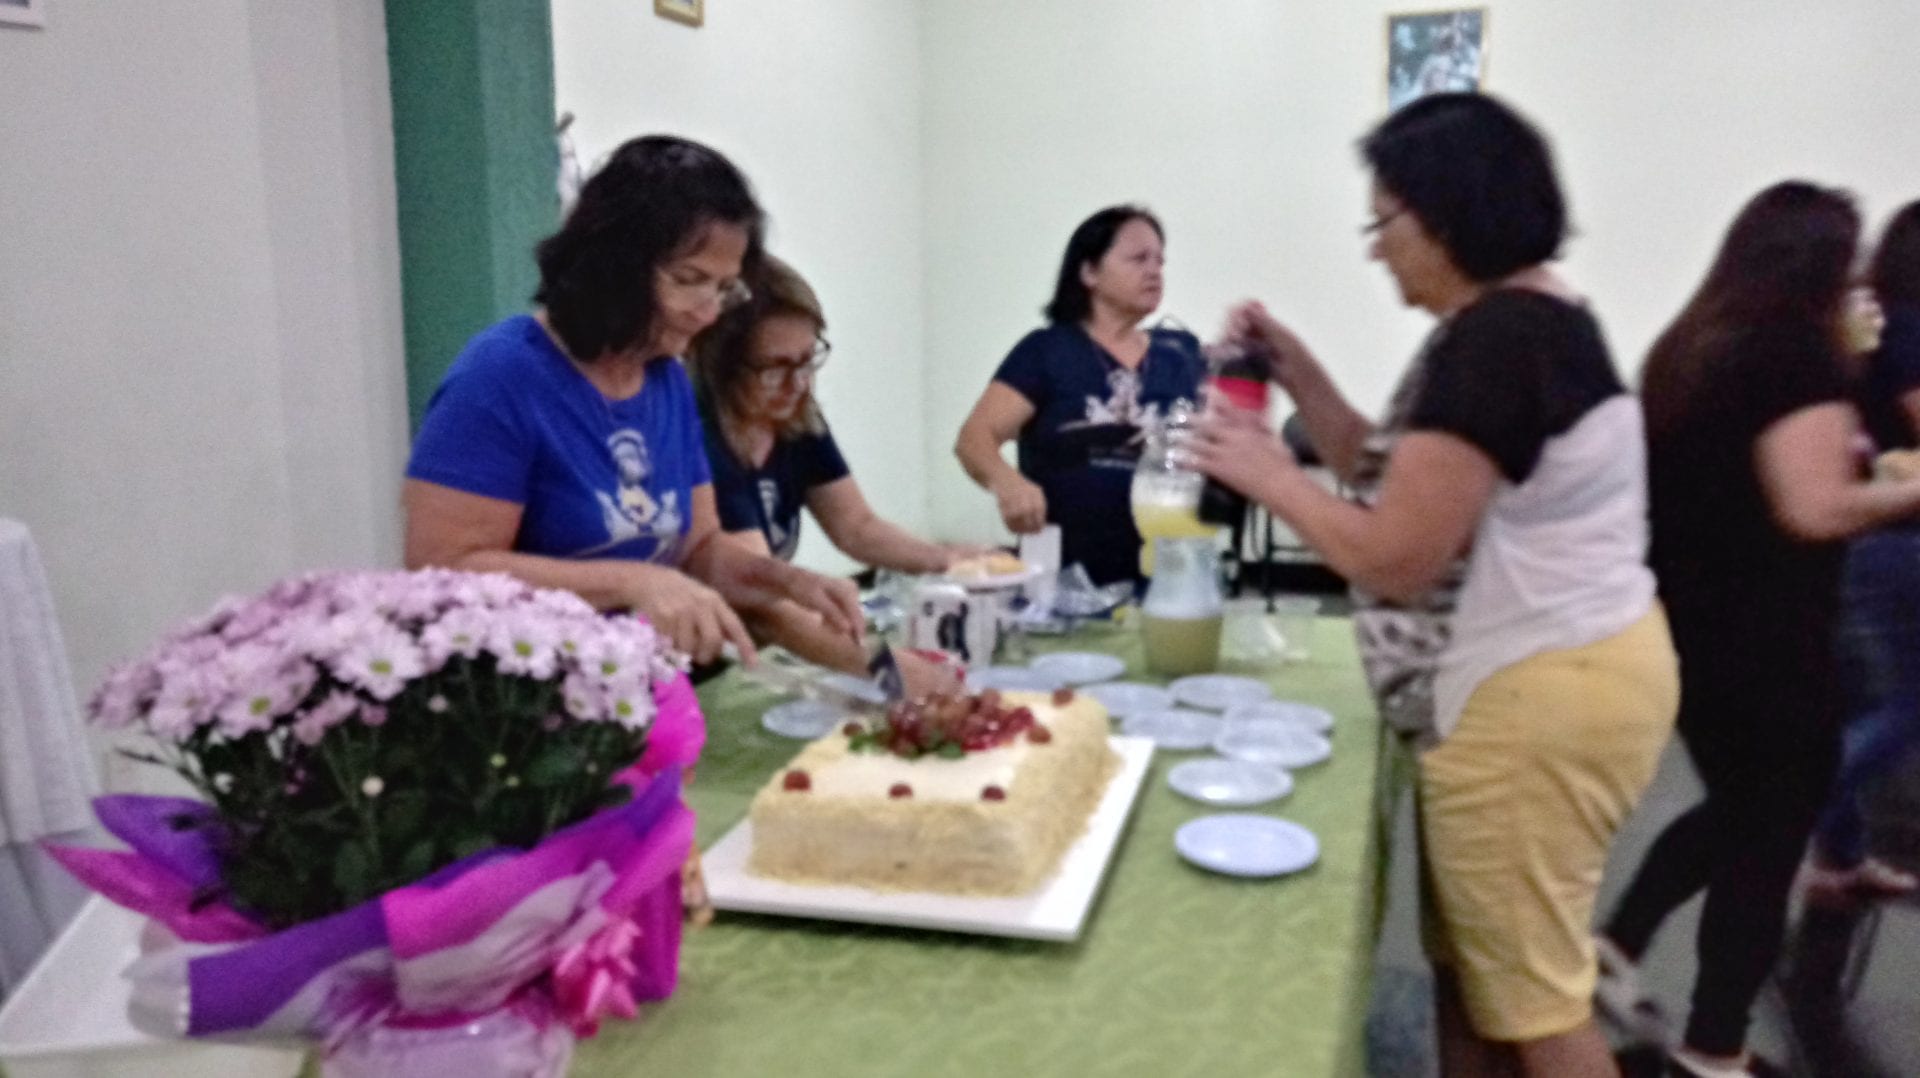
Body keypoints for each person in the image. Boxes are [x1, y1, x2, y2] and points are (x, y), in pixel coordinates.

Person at [1188, 94, 1677, 1078]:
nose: (1377, 252)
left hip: (1535, 693)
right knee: (1478, 979)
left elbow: (1395, 556)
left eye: (1384, 224)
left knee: (1537, 1004)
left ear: (1449, 215)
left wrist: (1269, 478)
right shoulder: (1521, 324)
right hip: (1573, 673)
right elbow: (1383, 470)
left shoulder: (1499, 339)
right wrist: (1296, 366)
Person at [1598, 183, 1920, 1078]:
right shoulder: (1796, 360)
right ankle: (1715, 1045)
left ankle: (1621, 943)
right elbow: (1813, 507)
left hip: (1692, 630)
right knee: (1765, 841)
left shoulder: (1694, 348)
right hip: (1768, 639)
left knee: (1744, 812)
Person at [403, 134, 864, 670]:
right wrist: (630, 581)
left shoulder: (666, 377)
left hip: (636, 682)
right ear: (615, 265)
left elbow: (699, 550)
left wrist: (786, 580)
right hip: (524, 693)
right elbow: (443, 572)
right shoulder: (502, 376)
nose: (708, 312)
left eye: (723, 288)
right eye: (689, 281)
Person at [690, 254, 969, 693]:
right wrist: (890, 671)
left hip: (749, 652)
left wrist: (954, 561)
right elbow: (770, 607)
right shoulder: (702, 435)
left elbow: (856, 527)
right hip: (697, 666)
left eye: (807, 361)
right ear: (721, 365)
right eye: (775, 369)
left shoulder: (794, 418)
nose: (798, 384)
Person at [954, 205, 1205, 586]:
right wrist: (1008, 483)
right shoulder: (1047, 351)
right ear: (1089, 272)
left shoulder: (1180, 355)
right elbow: (974, 439)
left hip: (1168, 574)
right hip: (1065, 577)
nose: (1155, 271)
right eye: (1139, 259)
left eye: (1160, 261)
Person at [1802, 200, 1920, 904]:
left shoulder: (1874, 328)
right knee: (1904, 707)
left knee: (1866, 703)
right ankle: (1799, 802)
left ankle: (1839, 859)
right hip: (1901, 540)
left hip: (1872, 539)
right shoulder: (1911, 331)